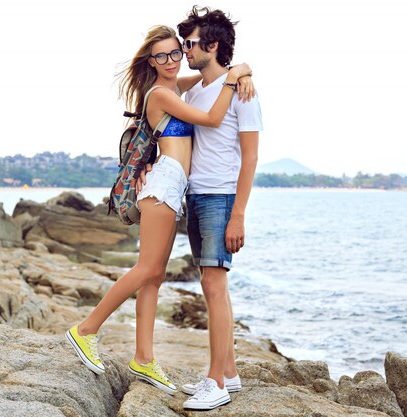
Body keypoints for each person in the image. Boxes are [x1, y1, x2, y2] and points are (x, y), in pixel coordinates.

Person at [65, 25, 253, 395]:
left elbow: (214, 73)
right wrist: (234, 80)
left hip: (173, 186)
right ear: (150, 61)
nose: (170, 60)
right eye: (161, 55)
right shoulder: (159, 94)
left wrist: (241, 70)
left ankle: (144, 358)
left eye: (174, 53)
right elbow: (213, 118)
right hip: (164, 184)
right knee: (148, 269)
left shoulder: (175, 86)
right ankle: (85, 330)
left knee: (154, 278)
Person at [172, 6, 262, 411]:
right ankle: (229, 372)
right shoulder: (197, 91)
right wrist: (237, 68)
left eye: (190, 44)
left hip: (221, 197)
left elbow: (251, 158)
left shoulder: (244, 93)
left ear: (211, 45)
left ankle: (215, 383)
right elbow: (174, 84)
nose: (183, 51)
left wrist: (239, 214)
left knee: (213, 284)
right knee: (213, 285)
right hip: (196, 195)